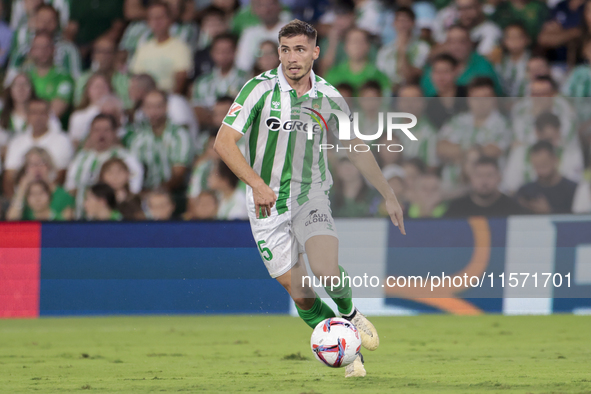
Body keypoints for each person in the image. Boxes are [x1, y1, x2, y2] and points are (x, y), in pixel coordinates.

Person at [213, 19, 407, 378]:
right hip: (266, 203)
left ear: (315, 52)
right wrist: (256, 184)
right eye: (285, 50)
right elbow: (223, 142)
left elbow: (355, 146)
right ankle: (351, 353)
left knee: (326, 271)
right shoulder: (258, 89)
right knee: (302, 295)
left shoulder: (329, 97)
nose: (291, 58)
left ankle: (348, 313)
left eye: (300, 49)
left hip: (310, 195)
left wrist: (388, 192)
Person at [66, 114, 144, 218]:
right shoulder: (80, 159)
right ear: (90, 133)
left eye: (106, 130)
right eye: (96, 130)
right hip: (82, 220)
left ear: (114, 132)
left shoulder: (128, 159)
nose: (101, 134)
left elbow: (133, 192)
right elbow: (71, 190)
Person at [4, 98, 73, 197]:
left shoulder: (62, 140)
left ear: (49, 115)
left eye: (42, 113)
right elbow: (8, 178)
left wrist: (41, 200)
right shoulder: (16, 142)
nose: (38, 117)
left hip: (50, 198)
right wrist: (15, 201)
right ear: (27, 116)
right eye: (34, 113)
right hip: (20, 198)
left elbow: (61, 176)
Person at [126, 90, 192, 191]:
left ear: (166, 107)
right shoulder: (137, 136)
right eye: (149, 107)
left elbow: (179, 174)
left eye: (158, 106)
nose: (153, 112)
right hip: (144, 192)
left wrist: (157, 193)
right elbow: (133, 170)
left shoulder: (179, 134)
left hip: (174, 193)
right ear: (143, 109)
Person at [502, 113, 584, 194]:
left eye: (554, 138)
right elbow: (510, 187)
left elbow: (574, 189)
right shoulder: (520, 153)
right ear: (537, 133)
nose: (551, 145)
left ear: (559, 132)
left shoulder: (572, 154)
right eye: (548, 139)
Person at [438, 77, 511, 165]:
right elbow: (441, 148)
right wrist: (474, 151)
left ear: (494, 99)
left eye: (486, 97)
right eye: (476, 98)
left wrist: (457, 152)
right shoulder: (457, 121)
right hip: (452, 177)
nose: (481, 102)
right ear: (468, 99)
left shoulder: (503, 125)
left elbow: (493, 151)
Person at [420, 24, 502, 97]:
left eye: (461, 42)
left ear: (470, 43)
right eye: (451, 42)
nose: (456, 47)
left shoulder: (484, 65)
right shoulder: (435, 66)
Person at [129, 1, 193, 94]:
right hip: (145, 101)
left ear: (170, 20)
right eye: (152, 18)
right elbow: (136, 78)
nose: (156, 22)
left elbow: (181, 81)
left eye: (160, 17)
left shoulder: (181, 48)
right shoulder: (143, 48)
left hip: (170, 100)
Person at [8, 32, 74, 120]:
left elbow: (55, 113)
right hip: (20, 123)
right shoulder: (23, 75)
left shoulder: (64, 77)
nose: (43, 51)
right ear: (31, 51)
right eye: (38, 48)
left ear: (53, 50)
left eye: (47, 47)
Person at [8, 4, 82, 79]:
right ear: (34, 21)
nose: (45, 24)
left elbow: (76, 80)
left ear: (57, 23)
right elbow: (10, 77)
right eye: (41, 20)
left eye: (50, 21)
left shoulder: (68, 50)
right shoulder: (22, 50)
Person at [190, 33, 247, 128]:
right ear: (212, 53)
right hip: (210, 132)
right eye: (219, 51)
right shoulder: (201, 82)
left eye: (227, 51)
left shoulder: (247, 78)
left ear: (236, 52)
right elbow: (197, 110)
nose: (223, 55)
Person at [127, 73, 199, 146]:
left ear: (141, 90)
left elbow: (183, 133)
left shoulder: (175, 102)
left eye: (132, 89)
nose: (129, 93)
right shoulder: (140, 111)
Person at [5, 147, 74, 220]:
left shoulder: (63, 196)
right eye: (32, 164)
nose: (37, 169)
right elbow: (11, 221)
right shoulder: (24, 194)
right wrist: (21, 190)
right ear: (26, 169)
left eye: (41, 163)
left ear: (49, 166)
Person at [0, 73, 61, 156]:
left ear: (31, 89)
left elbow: (56, 135)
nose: (21, 89)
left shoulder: (45, 112)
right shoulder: (2, 115)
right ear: (10, 89)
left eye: (25, 84)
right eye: (16, 85)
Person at [445, 156, 526, 217]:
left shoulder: (513, 209)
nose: (484, 181)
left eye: (489, 175)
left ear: (499, 178)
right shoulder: (457, 208)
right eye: (479, 175)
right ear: (471, 178)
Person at [511, 75, 577, 146]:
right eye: (535, 94)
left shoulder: (565, 109)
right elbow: (519, 140)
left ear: (552, 95)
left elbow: (565, 140)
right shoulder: (520, 110)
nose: (539, 98)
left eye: (543, 94)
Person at [514, 141, 578, 214]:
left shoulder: (573, 190)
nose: (540, 171)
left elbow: (578, 221)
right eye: (537, 166)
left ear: (555, 160)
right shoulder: (525, 192)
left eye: (544, 165)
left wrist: (549, 212)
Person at [324, 28, 391, 95]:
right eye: (353, 41)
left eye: (361, 41)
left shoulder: (379, 76)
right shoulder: (333, 74)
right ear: (345, 46)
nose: (357, 46)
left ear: (368, 46)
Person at [376, 6, 430, 89]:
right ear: (393, 23)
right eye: (399, 20)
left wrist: (402, 50)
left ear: (413, 23)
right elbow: (381, 78)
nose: (402, 25)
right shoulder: (385, 50)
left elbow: (409, 77)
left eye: (406, 21)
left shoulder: (422, 47)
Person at [74, 37, 132, 109]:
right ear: (93, 55)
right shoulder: (83, 78)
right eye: (100, 52)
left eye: (108, 52)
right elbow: (78, 104)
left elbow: (129, 106)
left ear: (115, 55)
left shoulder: (125, 80)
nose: (104, 56)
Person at [432, 0, 502, 57]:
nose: (464, 13)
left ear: (480, 7)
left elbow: (483, 58)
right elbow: (435, 52)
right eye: (460, 9)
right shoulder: (455, 29)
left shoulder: (491, 31)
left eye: (468, 8)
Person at [235, 0, 286, 72]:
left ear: (279, 6)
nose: (267, 9)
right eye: (262, 5)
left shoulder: (293, 31)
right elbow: (243, 65)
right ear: (254, 10)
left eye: (270, 4)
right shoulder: (249, 33)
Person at [396, 84, 439, 168]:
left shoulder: (430, 133)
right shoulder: (388, 128)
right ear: (398, 103)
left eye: (414, 99)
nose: (409, 104)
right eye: (404, 99)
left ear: (423, 103)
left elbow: (431, 167)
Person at [67, 73, 113, 149]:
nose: (100, 91)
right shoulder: (78, 116)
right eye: (96, 87)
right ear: (88, 91)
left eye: (103, 87)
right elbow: (75, 143)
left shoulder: (116, 112)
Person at [424, 53, 468, 128]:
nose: (441, 77)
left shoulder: (469, 95)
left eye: (445, 71)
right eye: (437, 72)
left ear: (456, 71)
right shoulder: (430, 106)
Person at [496, 24, 531, 97]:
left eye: (518, 37)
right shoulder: (500, 63)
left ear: (527, 39)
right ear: (504, 41)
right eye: (509, 38)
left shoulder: (533, 61)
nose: (514, 41)